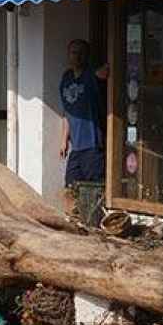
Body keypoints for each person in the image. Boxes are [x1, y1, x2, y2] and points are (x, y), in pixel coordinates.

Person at [58, 39, 108, 209]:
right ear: (68, 55)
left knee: (94, 190)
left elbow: (106, 71)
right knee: (70, 189)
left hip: (93, 145)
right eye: (73, 52)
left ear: (86, 56)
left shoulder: (90, 75)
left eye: (80, 53)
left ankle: (93, 226)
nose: (76, 57)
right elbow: (66, 112)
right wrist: (63, 139)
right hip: (76, 147)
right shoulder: (66, 78)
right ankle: (72, 223)